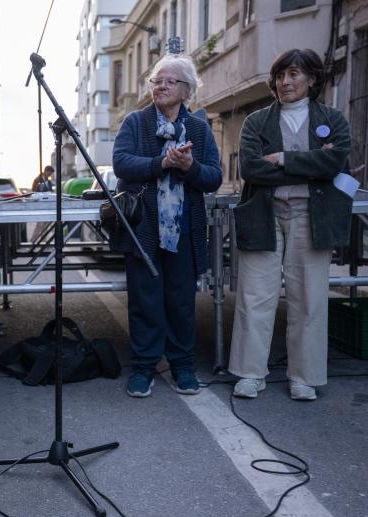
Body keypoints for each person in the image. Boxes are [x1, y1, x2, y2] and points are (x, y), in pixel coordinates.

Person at [228, 49, 352, 401]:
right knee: (255, 296)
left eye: (294, 74)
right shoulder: (256, 121)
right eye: (281, 75)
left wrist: (282, 158)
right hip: (264, 214)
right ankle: (250, 373)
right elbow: (251, 169)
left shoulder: (332, 119)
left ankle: (305, 377)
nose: (285, 82)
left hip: (312, 215)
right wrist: (311, 161)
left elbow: (333, 164)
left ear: (312, 79)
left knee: (310, 298)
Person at [111, 54, 222, 397]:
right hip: (144, 226)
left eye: (169, 81)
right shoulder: (136, 122)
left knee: (181, 301)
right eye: (156, 80)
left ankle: (182, 366)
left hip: (185, 229)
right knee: (144, 300)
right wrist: (162, 162)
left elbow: (214, 177)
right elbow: (121, 164)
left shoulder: (201, 129)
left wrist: (189, 166)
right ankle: (143, 367)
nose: (160, 86)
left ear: (186, 90)